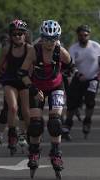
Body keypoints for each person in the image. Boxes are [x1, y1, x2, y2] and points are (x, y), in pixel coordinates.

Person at [19, 20, 72, 178]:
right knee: (35, 125)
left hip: (56, 86)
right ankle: (34, 152)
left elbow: (71, 65)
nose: (49, 43)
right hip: (37, 87)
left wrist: (67, 76)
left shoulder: (61, 51)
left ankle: (56, 153)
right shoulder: (34, 51)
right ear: (41, 38)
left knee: (55, 123)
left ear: (58, 38)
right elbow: (21, 73)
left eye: (53, 39)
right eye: (46, 39)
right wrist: (33, 89)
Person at [0, 18, 31, 156]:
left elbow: (36, 67)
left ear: (25, 34)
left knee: (26, 112)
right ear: (10, 35)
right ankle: (12, 136)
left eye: (20, 33)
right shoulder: (6, 49)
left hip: (24, 82)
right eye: (14, 34)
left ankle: (24, 135)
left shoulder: (30, 49)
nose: (17, 36)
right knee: (12, 108)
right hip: (10, 81)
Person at [62, 24, 100, 140]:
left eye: (85, 35)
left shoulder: (95, 46)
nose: (83, 37)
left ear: (89, 35)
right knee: (72, 103)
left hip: (93, 79)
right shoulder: (73, 48)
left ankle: (87, 121)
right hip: (78, 78)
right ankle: (67, 125)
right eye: (81, 35)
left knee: (90, 101)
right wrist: (77, 73)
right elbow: (70, 64)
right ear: (78, 36)